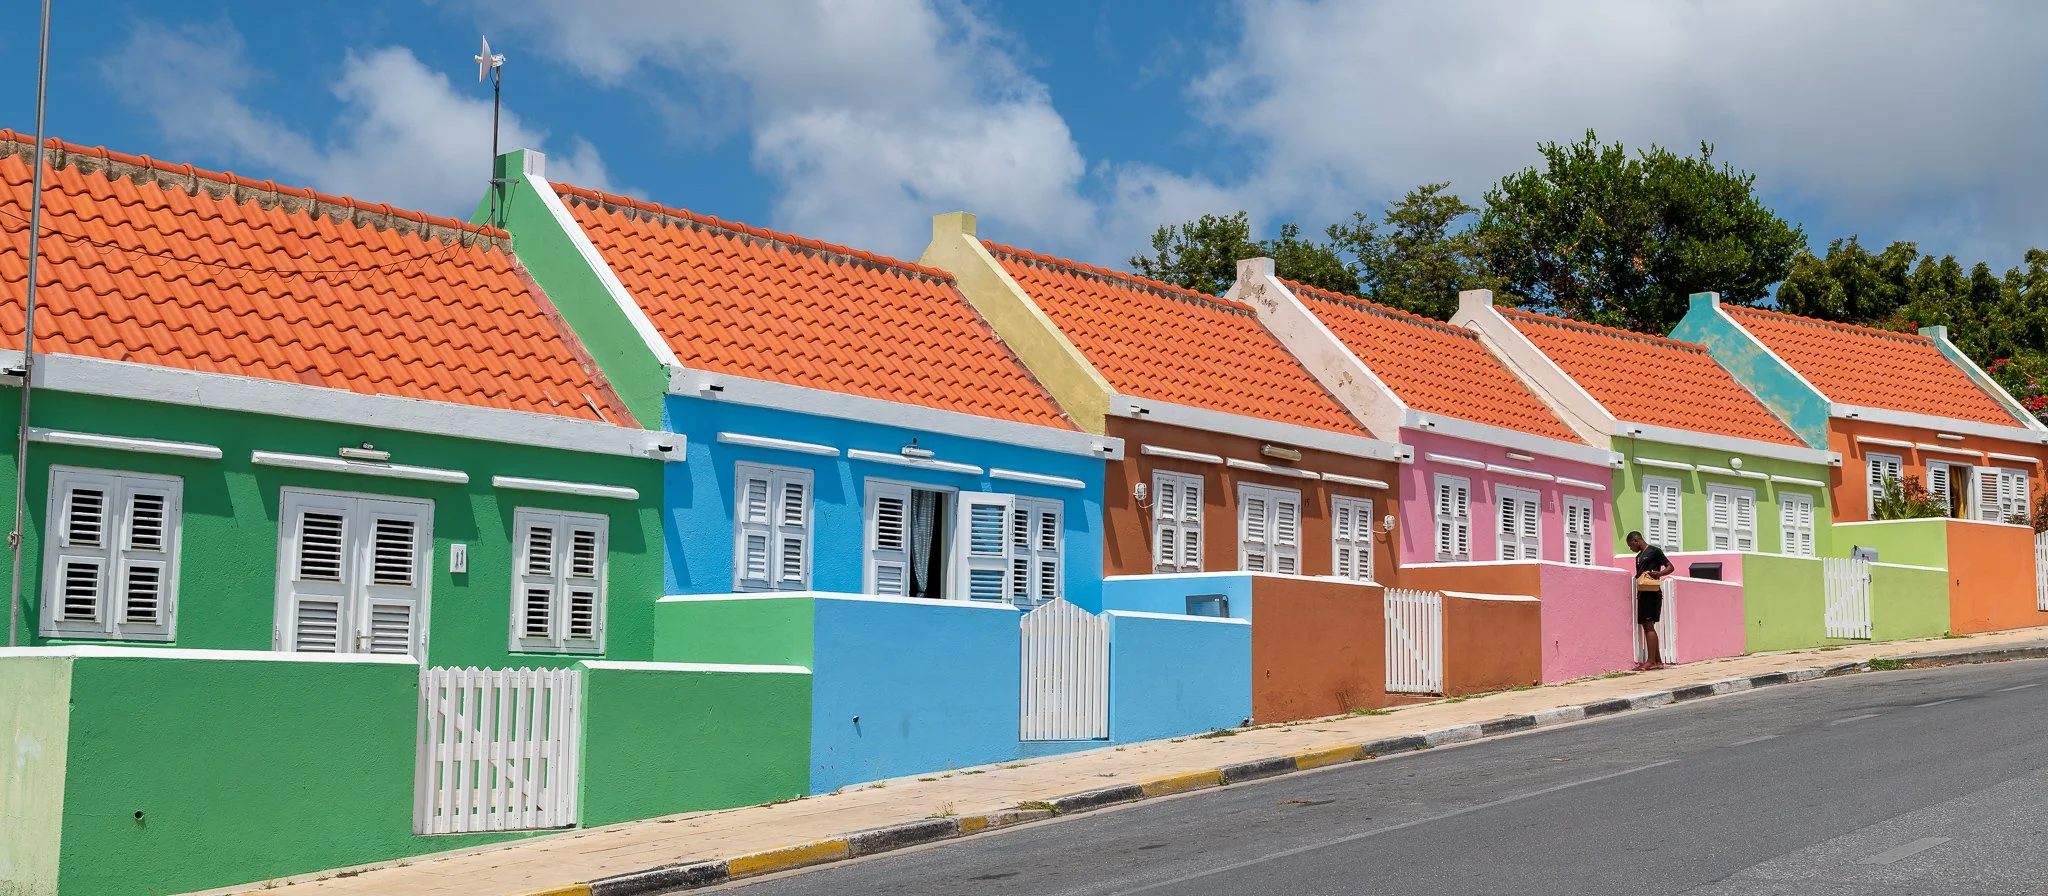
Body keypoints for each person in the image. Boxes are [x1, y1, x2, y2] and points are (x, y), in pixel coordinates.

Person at [1626, 531, 1674, 670]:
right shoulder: (1639, 556)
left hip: (1652, 593)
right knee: (1647, 625)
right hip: (1642, 592)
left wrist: (1659, 574)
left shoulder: (1654, 551)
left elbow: (1670, 567)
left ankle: (1651, 660)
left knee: (1648, 625)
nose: (1631, 548)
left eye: (1631, 545)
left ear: (1636, 540)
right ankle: (1658, 661)